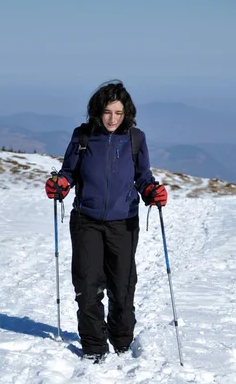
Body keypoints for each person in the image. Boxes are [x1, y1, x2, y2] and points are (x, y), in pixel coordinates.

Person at [45, 80, 167, 363]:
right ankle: (93, 347)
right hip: (86, 220)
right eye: (107, 112)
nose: (112, 118)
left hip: (123, 223)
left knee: (123, 286)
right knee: (87, 285)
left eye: (118, 113)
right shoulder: (83, 137)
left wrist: (152, 192)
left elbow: (143, 177)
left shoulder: (135, 139)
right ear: (97, 111)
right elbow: (69, 172)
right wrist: (60, 185)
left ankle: (122, 342)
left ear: (127, 114)